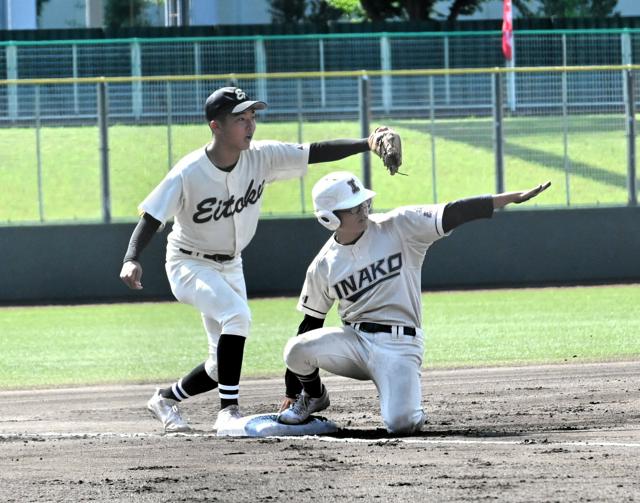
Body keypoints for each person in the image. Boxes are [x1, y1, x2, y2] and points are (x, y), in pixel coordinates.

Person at [119, 86, 396, 433]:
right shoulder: (188, 171)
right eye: (240, 119)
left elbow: (313, 152)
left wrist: (367, 143)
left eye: (252, 117)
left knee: (221, 365)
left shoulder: (261, 156)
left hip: (231, 264)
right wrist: (132, 258)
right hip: (188, 263)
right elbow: (152, 217)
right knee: (237, 316)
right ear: (215, 126)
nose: (250, 125)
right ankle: (228, 411)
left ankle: (164, 399)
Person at [277, 171, 551, 434]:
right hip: (355, 344)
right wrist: (292, 390)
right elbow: (311, 322)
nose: (363, 209)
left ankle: (407, 401)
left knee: (401, 424)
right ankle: (314, 396)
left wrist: (506, 198)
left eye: (363, 202)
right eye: (352, 207)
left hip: (400, 345)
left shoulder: (400, 226)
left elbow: (453, 212)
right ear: (329, 218)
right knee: (295, 349)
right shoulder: (323, 265)